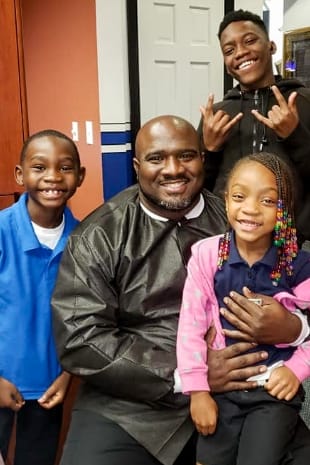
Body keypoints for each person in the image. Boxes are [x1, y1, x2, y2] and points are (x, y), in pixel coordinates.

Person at [52, 115, 309, 465]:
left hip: (245, 390)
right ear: (137, 166)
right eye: (157, 158)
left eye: (186, 156)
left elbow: (296, 281)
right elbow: (80, 338)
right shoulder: (100, 235)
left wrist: (294, 328)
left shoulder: (240, 217)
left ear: (202, 159)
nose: (173, 169)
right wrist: (186, 375)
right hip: (131, 404)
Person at [177, 152, 310, 465]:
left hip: (272, 391)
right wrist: (197, 391)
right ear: (226, 201)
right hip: (221, 388)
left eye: (267, 201)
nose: (250, 209)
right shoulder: (207, 256)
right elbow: (190, 327)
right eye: (239, 196)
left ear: (284, 210)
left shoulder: (297, 264)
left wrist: (296, 369)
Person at [0, 129, 85, 465]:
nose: (52, 176)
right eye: (39, 167)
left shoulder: (84, 240)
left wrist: (68, 374)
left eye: (65, 167)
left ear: (80, 176)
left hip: (50, 389)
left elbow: (87, 317)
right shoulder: (3, 231)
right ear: (20, 175)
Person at [198, 9, 310, 247]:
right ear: (227, 65)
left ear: (271, 46)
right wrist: (210, 150)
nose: (240, 52)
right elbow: (199, 190)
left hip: (294, 245)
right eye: (229, 50)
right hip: (229, 245)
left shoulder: (303, 101)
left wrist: (295, 136)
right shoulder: (217, 115)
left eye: (249, 41)